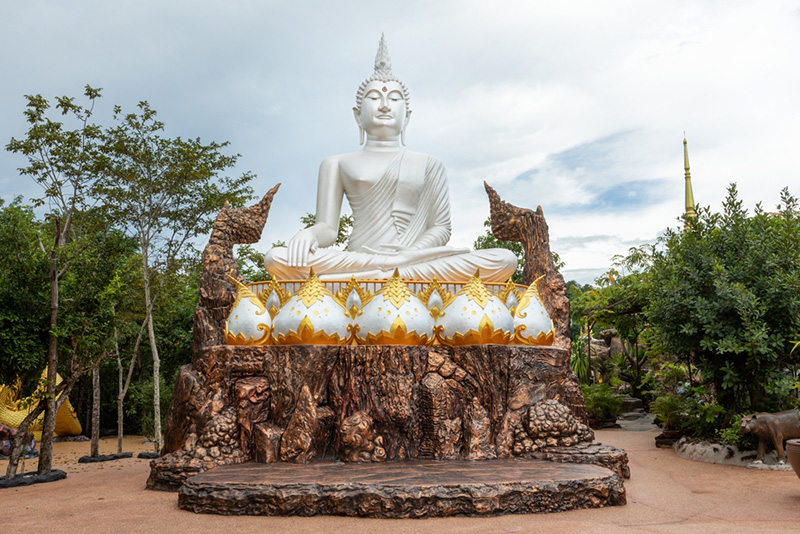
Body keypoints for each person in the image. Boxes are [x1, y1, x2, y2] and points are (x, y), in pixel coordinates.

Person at [265, 35, 517, 282]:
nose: (384, 105)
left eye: (394, 99)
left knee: (505, 259)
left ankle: (381, 273)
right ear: (357, 116)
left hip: (416, 261)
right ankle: (386, 269)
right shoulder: (336, 163)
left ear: (406, 116)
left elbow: (441, 228)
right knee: (276, 258)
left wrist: (414, 253)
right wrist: (309, 235)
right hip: (358, 258)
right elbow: (328, 229)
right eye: (374, 98)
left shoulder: (430, 163)